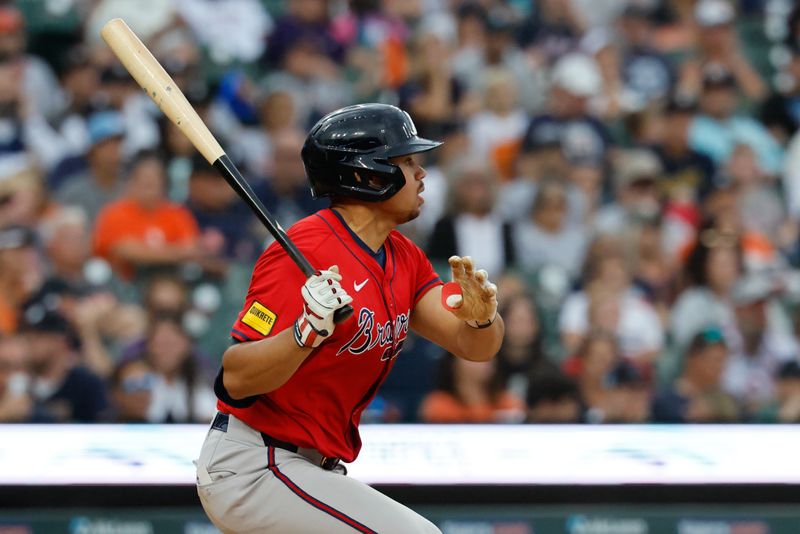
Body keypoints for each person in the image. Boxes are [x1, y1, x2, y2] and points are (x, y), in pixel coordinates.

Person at [196, 104, 503, 533]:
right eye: (407, 161)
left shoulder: (404, 255)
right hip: (256, 464)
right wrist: (304, 333)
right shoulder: (303, 249)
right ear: (368, 174)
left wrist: (482, 318)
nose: (422, 173)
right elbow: (236, 377)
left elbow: (475, 348)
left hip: (310, 470)